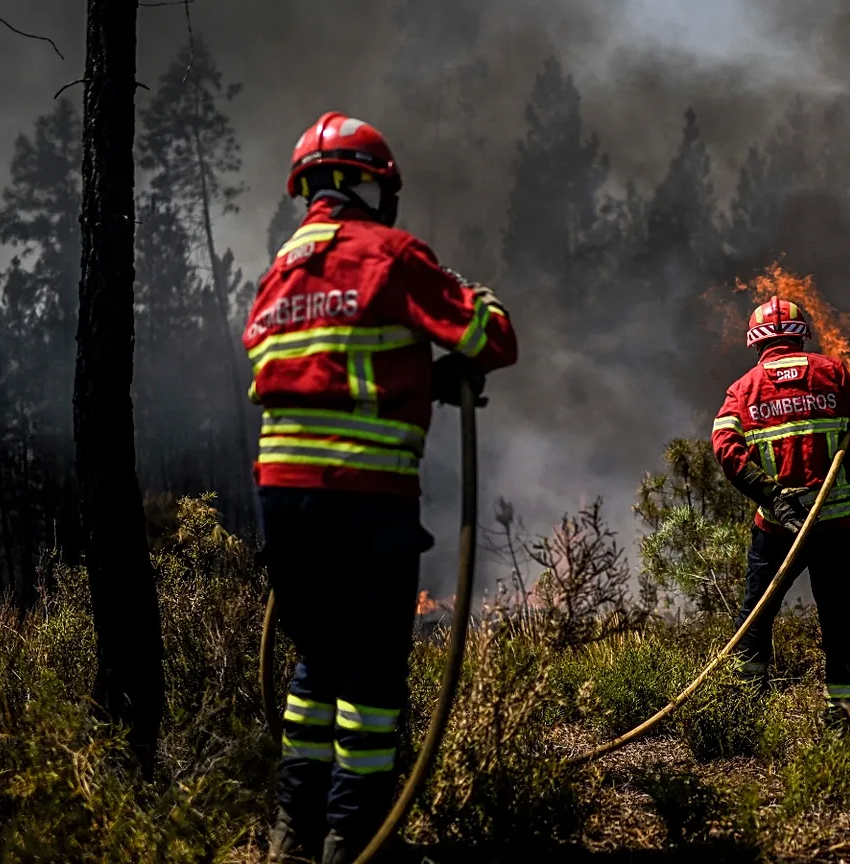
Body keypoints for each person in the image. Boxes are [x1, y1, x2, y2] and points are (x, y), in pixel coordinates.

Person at [247, 112, 517, 864]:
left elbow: (329, 375)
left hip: (283, 500)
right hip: (363, 502)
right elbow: (492, 340)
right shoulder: (390, 255)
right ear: (370, 184)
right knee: (370, 676)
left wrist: (416, 382)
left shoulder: (279, 273)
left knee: (315, 664)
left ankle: (291, 830)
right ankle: (355, 838)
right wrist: (477, 299)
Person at [709, 297, 850, 733]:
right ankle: (842, 722)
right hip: (838, 527)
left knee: (756, 616)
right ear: (801, 334)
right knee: (840, 620)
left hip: (777, 527)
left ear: (755, 342)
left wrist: (771, 495)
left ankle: (744, 713)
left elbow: (725, 449)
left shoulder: (743, 390)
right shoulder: (832, 373)